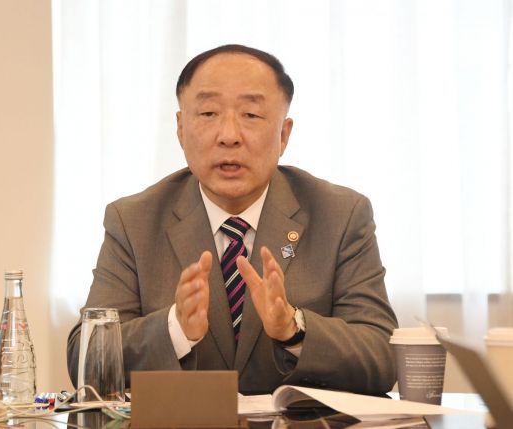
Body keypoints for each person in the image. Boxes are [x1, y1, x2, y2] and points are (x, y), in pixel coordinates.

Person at [67, 44, 398, 395]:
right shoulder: (134, 221)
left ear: (283, 134)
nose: (229, 136)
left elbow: (381, 357)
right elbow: (87, 358)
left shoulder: (340, 215)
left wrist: (294, 329)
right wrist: (175, 329)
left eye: (251, 115)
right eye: (208, 113)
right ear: (181, 129)